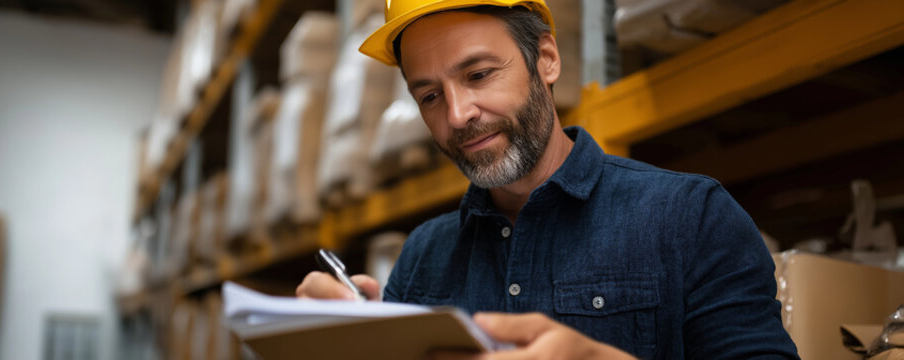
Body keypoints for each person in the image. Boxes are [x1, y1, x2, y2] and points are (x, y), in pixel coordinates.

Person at [297, 1, 800, 358]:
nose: (456, 114)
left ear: (547, 59)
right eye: (429, 95)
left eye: (477, 75)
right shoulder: (423, 258)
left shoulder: (691, 217)